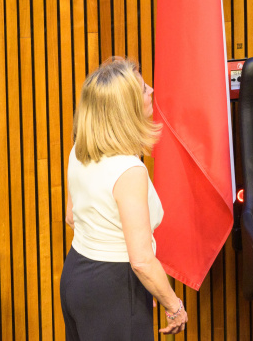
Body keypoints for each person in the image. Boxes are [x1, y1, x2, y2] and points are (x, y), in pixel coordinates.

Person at [61, 57, 188, 339]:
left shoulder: (80, 148)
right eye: (143, 89)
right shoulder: (129, 170)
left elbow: (71, 217)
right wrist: (174, 306)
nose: (151, 90)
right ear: (126, 108)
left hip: (76, 277)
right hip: (112, 290)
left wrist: (141, 284)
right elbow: (141, 261)